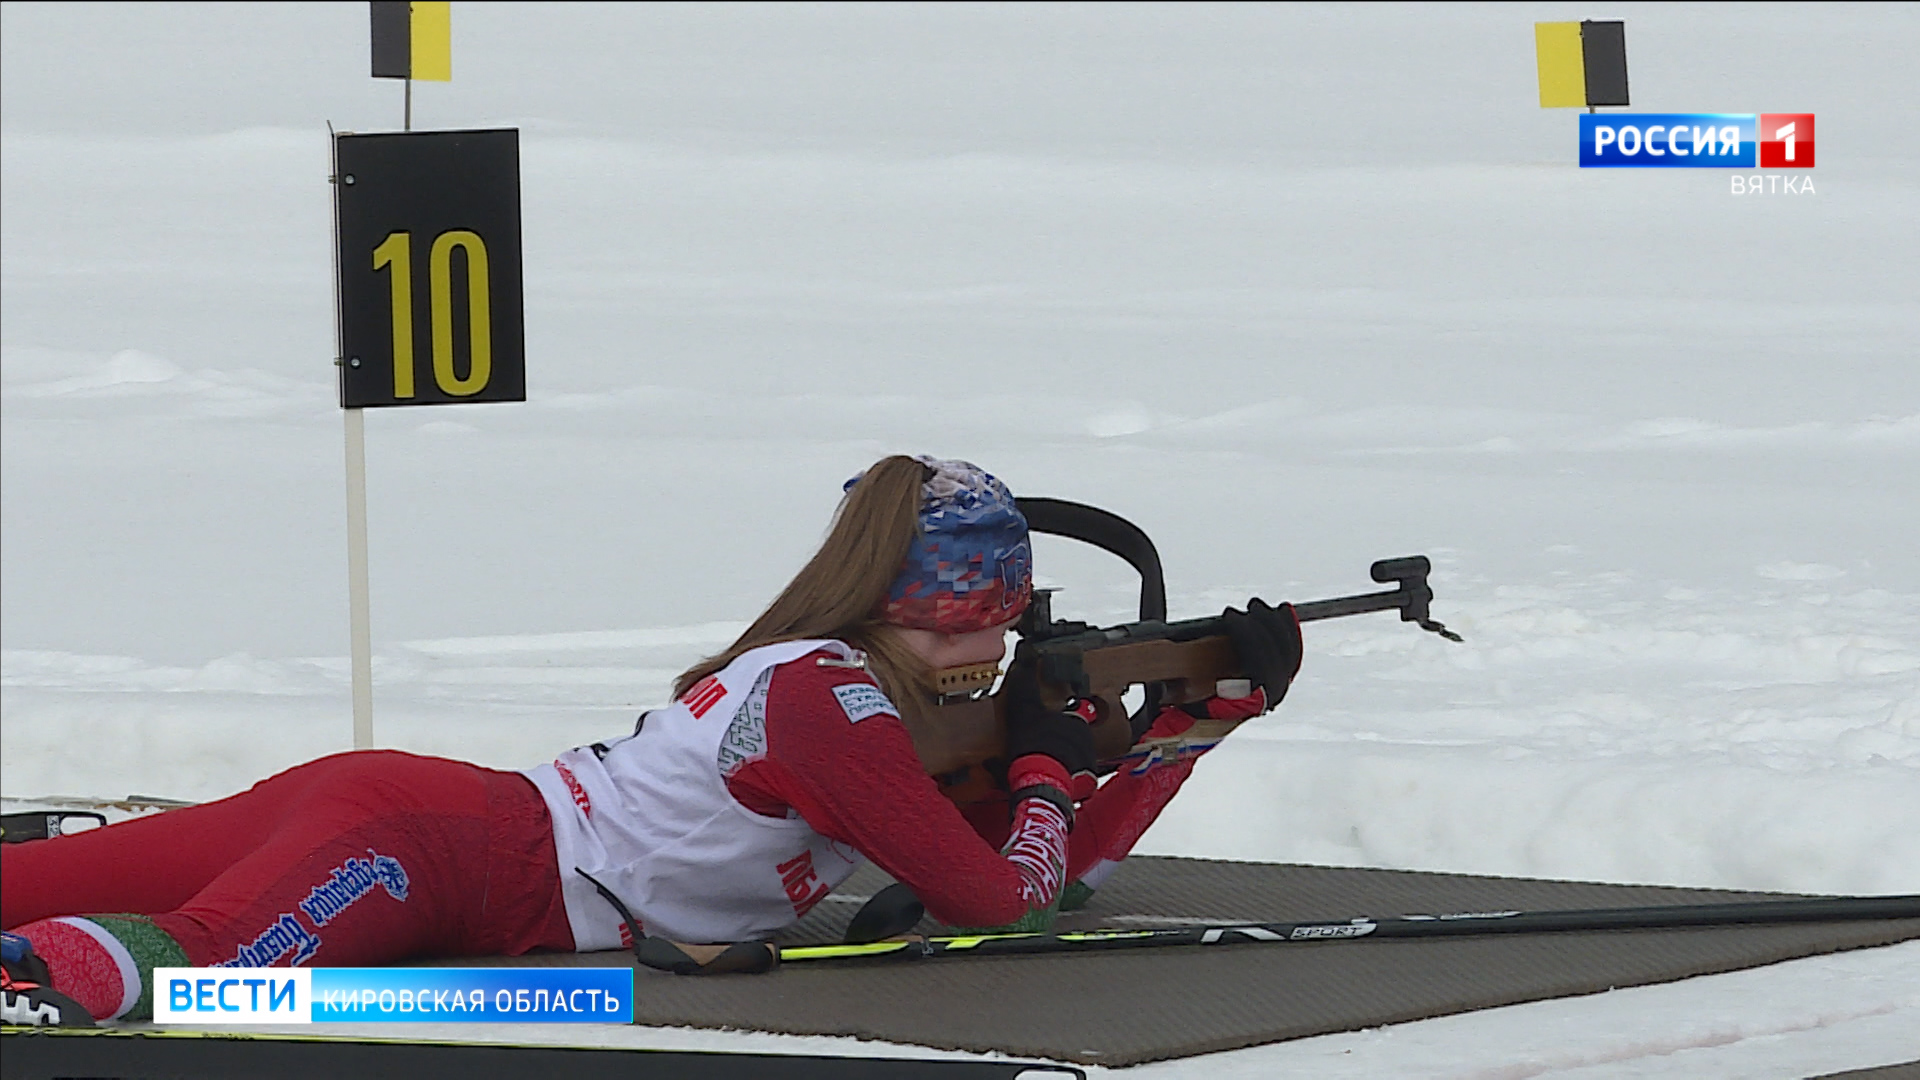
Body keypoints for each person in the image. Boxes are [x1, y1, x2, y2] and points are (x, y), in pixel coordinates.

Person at [0, 455, 1301, 1026]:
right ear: (892, 602)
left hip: (412, 816)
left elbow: (1052, 875)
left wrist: (1183, 733)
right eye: (964, 611)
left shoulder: (852, 703)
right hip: (430, 854)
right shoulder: (827, 702)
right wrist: (1046, 767)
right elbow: (995, 895)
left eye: (1011, 617)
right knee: (199, 975)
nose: (989, 644)